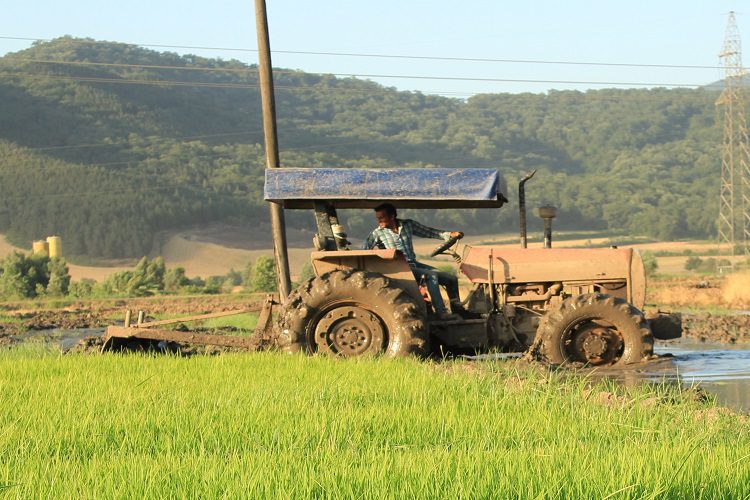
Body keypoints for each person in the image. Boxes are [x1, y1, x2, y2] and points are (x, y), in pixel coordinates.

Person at [364, 203, 464, 318]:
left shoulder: (408, 225)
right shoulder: (377, 233)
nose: (379, 221)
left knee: (450, 279)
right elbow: (365, 250)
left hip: (413, 264)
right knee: (431, 276)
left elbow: (429, 232)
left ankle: (459, 312)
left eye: (381, 218)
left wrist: (450, 235)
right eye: (377, 218)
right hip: (399, 268)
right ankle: (441, 313)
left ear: (392, 216)